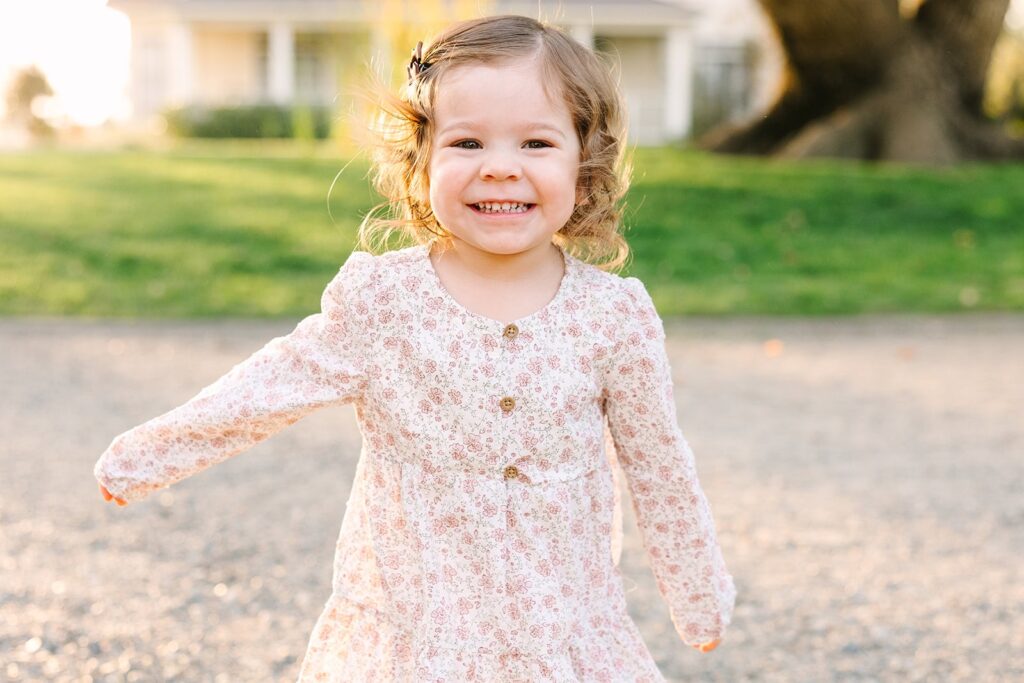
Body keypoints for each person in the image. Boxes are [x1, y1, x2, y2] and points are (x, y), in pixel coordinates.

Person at [95, 14, 737, 681]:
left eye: (536, 143)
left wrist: (699, 598)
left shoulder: (612, 316)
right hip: (417, 635)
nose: (499, 168)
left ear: (584, 160)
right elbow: (271, 383)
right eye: (467, 142)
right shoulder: (383, 301)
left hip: (560, 633)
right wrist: (148, 454)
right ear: (422, 156)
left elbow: (659, 464)